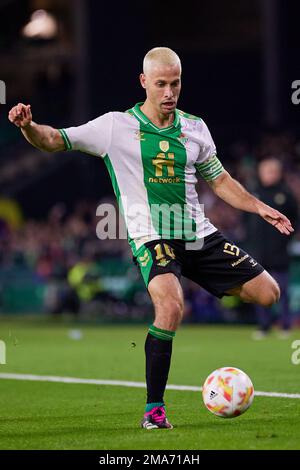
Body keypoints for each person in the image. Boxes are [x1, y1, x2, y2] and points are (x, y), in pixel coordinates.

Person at [8, 47, 294, 430]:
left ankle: (205, 281)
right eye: (160, 84)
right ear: (144, 82)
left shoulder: (195, 128)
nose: (169, 92)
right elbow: (54, 140)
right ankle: (154, 410)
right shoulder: (115, 126)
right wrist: (28, 126)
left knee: (269, 293)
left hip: (198, 236)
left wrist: (259, 207)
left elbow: (220, 180)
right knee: (171, 307)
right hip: (152, 236)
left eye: (175, 83)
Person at [245, 157, 298, 339]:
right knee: (259, 290)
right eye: (265, 171)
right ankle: (264, 325)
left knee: (282, 290)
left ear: (278, 173)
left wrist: (287, 238)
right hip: (258, 251)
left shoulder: (286, 194)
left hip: (279, 251)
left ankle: (285, 324)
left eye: (271, 171)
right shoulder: (254, 193)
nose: (268, 175)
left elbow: (295, 220)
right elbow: (246, 219)